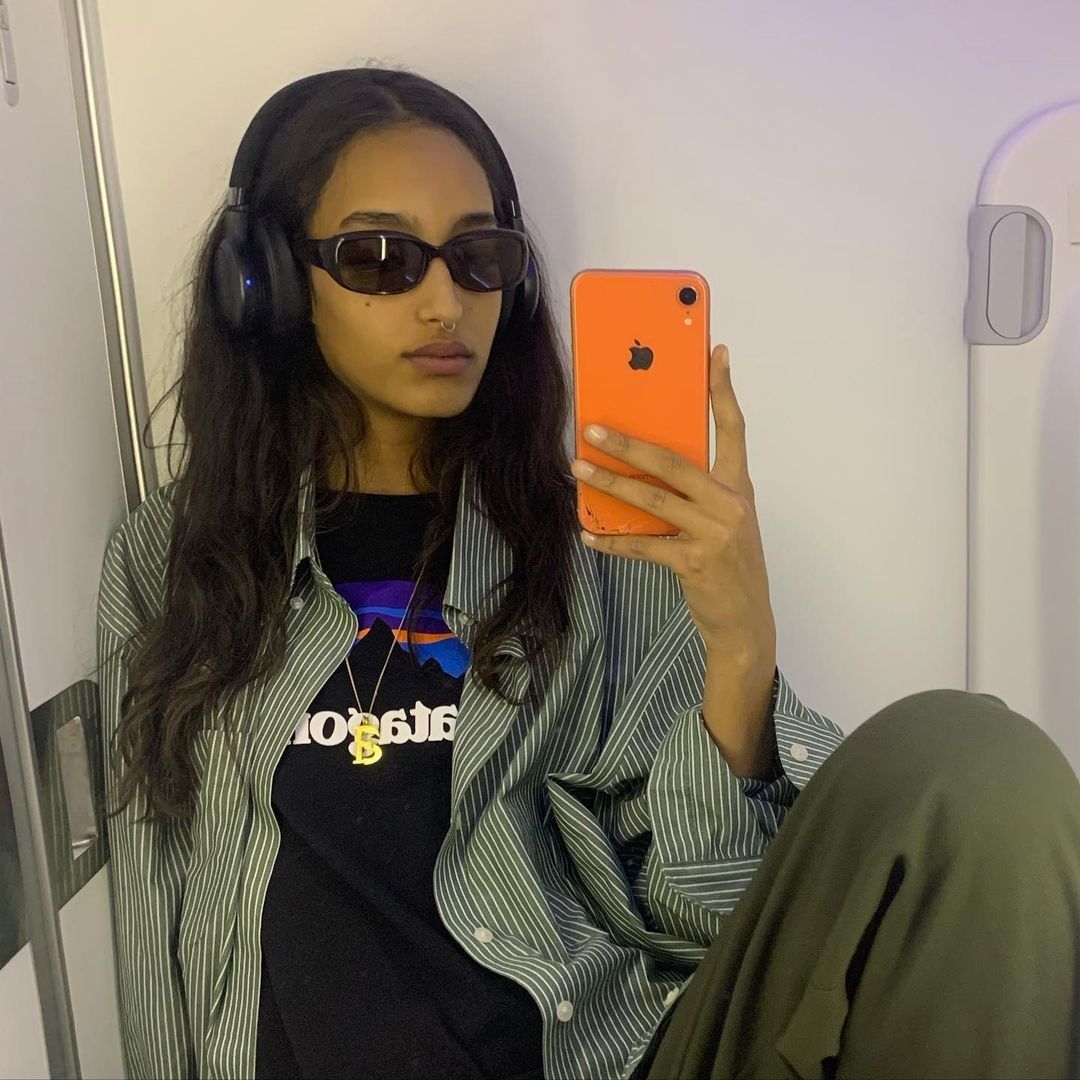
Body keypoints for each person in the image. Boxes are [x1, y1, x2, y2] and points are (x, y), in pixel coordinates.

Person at [94, 65, 1080, 1080]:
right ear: (266, 281)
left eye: (479, 257)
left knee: (978, 762)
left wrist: (740, 646)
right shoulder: (172, 561)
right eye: (380, 257)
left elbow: (707, 909)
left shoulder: (601, 550)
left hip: (607, 1058)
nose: (444, 302)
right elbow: (154, 911)